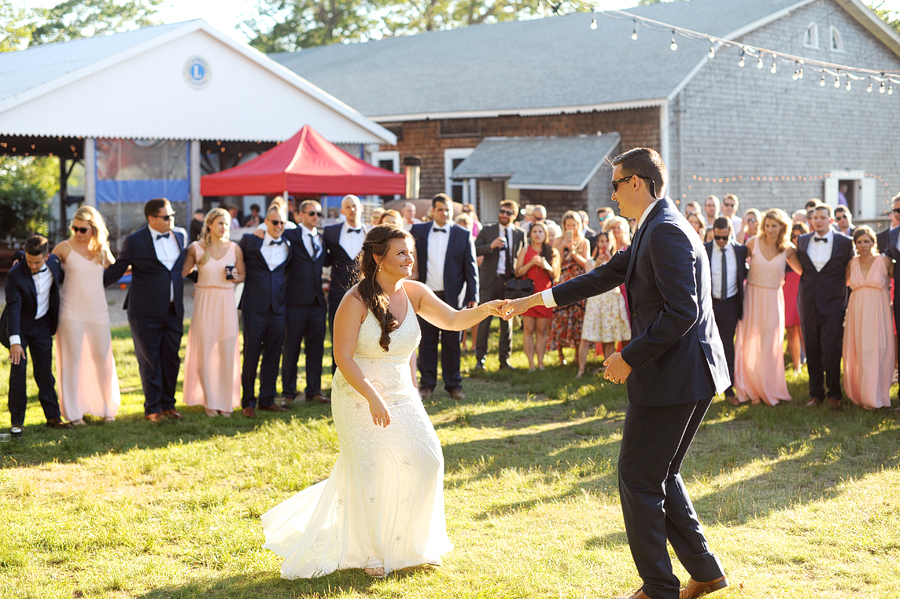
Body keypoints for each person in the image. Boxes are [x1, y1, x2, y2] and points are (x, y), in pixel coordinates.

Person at [500, 148, 730, 599]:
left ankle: (658, 587)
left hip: (673, 376)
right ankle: (706, 571)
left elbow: (682, 311)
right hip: (686, 373)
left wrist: (630, 355)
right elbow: (604, 275)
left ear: (639, 183)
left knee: (638, 475)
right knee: (660, 473)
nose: (613, 193)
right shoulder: (653, 226)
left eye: (617, 183)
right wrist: (535, 301)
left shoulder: (664, 231)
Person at [261, 225, 504, 579]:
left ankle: (415, 545)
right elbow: (344, 357)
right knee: (373, 468)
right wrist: (372, 397)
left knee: (428, 460)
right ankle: (372, 550)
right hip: (358, 393)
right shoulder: (354, 301)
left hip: (402, 391)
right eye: (401, 252)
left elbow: (452, 320)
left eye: (411, 251)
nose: (410, 258)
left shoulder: (416, 292)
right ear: (379, 258)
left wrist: (489, 309)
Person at [104, 198, 187, 422]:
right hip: (144, 312)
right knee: (150, 360)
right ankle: (152, 408)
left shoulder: (180, 236)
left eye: (172, 216)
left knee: (171, 359)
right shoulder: (135, 241)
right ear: (151, 218)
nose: (172, 220)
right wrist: (87, 282)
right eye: (166, 216)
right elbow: (117, 270)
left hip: (173, 310)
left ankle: (169, 404)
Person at [52, 206, 121, 425]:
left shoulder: (102, 248)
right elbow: (46, 273)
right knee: (72, 361)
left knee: (102, 358)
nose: (78, 233)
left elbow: (117, 271)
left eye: (83, 229)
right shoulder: (63, 248)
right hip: (70, 311)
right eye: (75, 228)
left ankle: (107, 407)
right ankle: (73, 414)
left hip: (98, 311)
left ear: (93, 228)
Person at [411, 194, 478, 400]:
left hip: (452, 298)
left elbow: (471, 268)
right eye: (440, 209)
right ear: (433, 211)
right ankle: (427, 385)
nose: (445, 213)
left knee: (452, 344)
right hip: (426, 298)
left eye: (448, 209)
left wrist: (473, 296)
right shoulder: (418, 231)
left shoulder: (463, 234)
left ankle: (454, 385)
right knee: (426, 343)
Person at [733, 209, 802, 406]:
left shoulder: (787, 249)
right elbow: (736, 262)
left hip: (773, 298)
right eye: (768, 225)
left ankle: (769, 388)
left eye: (775, 225)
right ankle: (749, 387)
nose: (770, 229)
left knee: (770, 343)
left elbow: (804, 271)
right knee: (749, 342)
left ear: (782, 227)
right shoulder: (753, 242)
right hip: (753, 296)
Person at [181, 208, 245, 417]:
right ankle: (209, 401)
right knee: (205, 350)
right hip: (205, 301)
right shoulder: (196, 248)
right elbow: (183, 272)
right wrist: (199, 281)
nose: (224, 227)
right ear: (209, 224)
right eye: (220, 223)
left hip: (227, 301)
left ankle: (225, 402)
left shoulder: (234, 248)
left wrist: (234, 276)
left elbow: (242, 274)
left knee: (227, 350)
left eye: (226, 223)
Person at [5, 235, 71, 437]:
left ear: (47, 257)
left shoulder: (54, 263)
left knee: (44, 373)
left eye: (37, 262)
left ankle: (53, 417)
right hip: (20, 327)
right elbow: (13, 309)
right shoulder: (15, 274)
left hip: (42, 326)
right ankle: (17, 422)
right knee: (18, 373)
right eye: (28, 261)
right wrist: (15, 342)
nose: (32, 266)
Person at [796, 202, 853, 409]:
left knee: (831, 350)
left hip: (834, 304)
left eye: (822, 217)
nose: (818, 221)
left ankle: (834, 394)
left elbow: (850, 269)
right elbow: (800, 268)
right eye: (814, 218)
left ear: (831, 220)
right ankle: (815, 394)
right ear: (810, 220)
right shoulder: (802, 241)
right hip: (808, 303)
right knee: (811, 349)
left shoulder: (845, 243)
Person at [239, 205, 291, 418]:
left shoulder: (289, 245)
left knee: (273, 354)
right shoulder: (250, 241)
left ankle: (267, 399)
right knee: (251, 353)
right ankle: (248, 401)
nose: (279, 226)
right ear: (266, 223)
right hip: (253, 307)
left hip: (278, 308)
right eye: (274, 222)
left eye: (282, 222)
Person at [281, 200, 329, 405]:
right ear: (300, 215)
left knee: (316, 348)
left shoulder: (321, 238)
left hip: (318, 302)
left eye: (318, 213)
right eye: (311, 213)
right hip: (294, 302)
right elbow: (270, 233)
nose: (315, 217)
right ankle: (289, 393)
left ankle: (314, 391)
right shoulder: (288, 235)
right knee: (291, 348)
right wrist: (259, 232)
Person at [843, 226, 894, 409]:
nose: (863, 245)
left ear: (873, 242)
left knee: (879, 350)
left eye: (866, 241)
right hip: (857, 311)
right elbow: (845, 284)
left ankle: (877, 395)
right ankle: (862, 393)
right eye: (859, 242)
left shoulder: (885, 261)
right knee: (860, 351)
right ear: (855, 244)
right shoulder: (852, 263)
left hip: (879, 311)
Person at [474, 200, 526, 370]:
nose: (504, 215)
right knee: (484, 320)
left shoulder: (519, 233)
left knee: (507, 321)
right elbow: (474, 249)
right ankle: (480, 360)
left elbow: (522, 255)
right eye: (502, 211)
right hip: (490, 281)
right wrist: (491, 245)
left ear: (515, 215)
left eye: (508, 213)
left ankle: (504, 360)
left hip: (509, 281)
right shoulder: (488, 230)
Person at [324, 195, 371, 370]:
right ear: (342, 211)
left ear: (361, 208)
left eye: (355, 206)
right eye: (348, 207)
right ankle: (338, 384)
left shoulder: (371, 233)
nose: (352, 210)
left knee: (364, 341)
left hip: (365, 295)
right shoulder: (330, 232)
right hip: (337, 294)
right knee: (338, 339)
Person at [704, 217, 747, 404]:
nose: (721, 241)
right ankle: (707, 388)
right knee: (705, 346)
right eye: (718, 237)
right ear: (713, 232)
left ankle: (729, 390)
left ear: (730, 232)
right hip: (709, 305)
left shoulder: (740, 250)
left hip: (730, 304)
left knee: (727, 347)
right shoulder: (705, 249)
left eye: (724, 237)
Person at [578, 231, 630, 378]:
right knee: (586, 336)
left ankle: (606, 368)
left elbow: (619, 278)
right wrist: (598, 264)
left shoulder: (618, 259)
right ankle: (580, 369)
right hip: (595, 300)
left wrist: (610, 259)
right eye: (601, 241)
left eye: (607, 241)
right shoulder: (590, 261)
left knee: (609, 336)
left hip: (612, 299)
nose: (604, 244)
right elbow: (590, 279)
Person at [514, 221, 559, 371]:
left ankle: (540, 363)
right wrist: (531, 264)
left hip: (545, 295)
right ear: (531, 234)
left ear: (545, 234)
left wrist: (545, 265)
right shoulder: (525, 250)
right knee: (528, 330)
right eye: (535, 231)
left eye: (541, 231)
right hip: (528, 294)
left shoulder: (551, 252)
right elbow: (517, 272)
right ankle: (531, 364)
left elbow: (556, 276)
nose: (538, 234)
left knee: (542, 330)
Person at [548, 211, 589, 365]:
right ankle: (560, 356)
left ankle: (578, 356)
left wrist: (574, 253)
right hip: (563, 280)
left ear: (579, 225)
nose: (571, 228)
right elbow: (555, 261)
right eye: (568, 225)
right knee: (560, 316)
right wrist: (563, 246)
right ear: (564, 226)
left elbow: (587, 264)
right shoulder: (559, 240)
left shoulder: (584, 242)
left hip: (578, 280)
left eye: (574, 225)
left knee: (578, 316)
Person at [783, 223, 809, 374]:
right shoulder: (788, 251)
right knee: (792, 330)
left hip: (804, 290)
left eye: (800, 235)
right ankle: (797, 367)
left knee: (805, 331)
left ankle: (811, 364)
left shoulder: (809, 251)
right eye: (794, 235)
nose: (797, 238)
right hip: (789, 290)